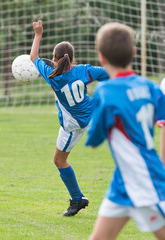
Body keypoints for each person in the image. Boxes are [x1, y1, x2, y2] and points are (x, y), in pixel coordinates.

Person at [86, 22, 165, 239]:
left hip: (145, 180)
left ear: (101, 58)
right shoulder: (151, 87)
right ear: (134, 52)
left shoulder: (105, 92)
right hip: (122, 183)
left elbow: (94, 139)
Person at [30, 20, 109, 216]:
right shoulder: (84, 70)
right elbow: (109, 74)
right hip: (90, 112)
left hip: (73, 125)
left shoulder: (51, 75)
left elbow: (33, 57)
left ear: (54, 58)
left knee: (59, 161)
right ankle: (77, 198)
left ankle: (77, 199)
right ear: (72, 59)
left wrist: (38, 34)